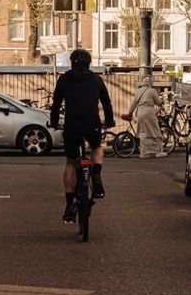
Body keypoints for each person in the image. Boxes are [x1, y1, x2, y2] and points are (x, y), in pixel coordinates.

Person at [49, 48, 114, 223]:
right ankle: (97, 176)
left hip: (72, 125)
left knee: (71, 161)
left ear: (71, 63)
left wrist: (54, 121)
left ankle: (69, 206)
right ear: (89, 63)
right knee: (96, 147)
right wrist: (109, 121)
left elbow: (55, 104)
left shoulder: (64, 80)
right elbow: (106, 102)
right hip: (91, 123)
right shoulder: (96, 79)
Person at [130, 74, 162, 158]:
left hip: (140, 112)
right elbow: (159, 102)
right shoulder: (152, 91)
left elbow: (133, 104)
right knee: (155, 131)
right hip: (149, 112)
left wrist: (130, 113)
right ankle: (157, 152)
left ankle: (144, 153)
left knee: (143, 132)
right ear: (150, 83)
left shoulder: (138, 91)